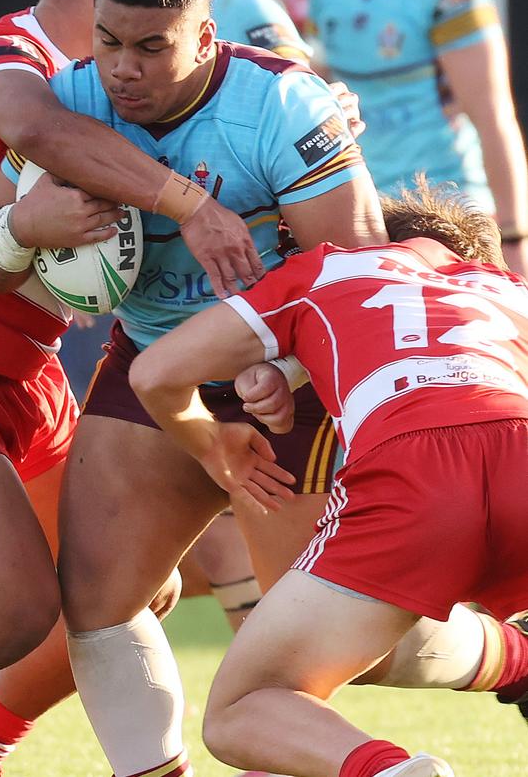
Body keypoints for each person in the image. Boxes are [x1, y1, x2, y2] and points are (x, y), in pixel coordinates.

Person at [0, 0, 269, 771]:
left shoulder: (122, 83)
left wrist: (312, 96)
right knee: (9, 609)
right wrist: (187, 206)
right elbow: (41, 131)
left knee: (133, 588)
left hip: (30, 370)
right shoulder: (0, 55)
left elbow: (255, 93)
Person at [12, 0, 383, 777]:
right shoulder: (67, 101)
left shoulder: (284, 109)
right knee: (96, 607)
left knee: (336, 642)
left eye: (152, 46)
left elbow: (356, 279)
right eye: (108, 42)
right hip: (152, 368)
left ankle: (505, 658)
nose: (123, 70)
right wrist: (25, 233)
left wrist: (282, 367)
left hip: (290, 382)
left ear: (209, 36)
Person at [129, 183, 528, 777]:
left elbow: (155, 372)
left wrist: (216, 447)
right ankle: (517, 659)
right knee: (363, 647)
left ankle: (389, 771)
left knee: (243, 707)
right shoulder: (510, 289)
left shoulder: (326, 267)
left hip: (413, 476)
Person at [307, 0, 528, 276]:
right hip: (365, 214)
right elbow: (317, 95)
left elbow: (493, 118)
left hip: (448, 216)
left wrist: (516, 237)